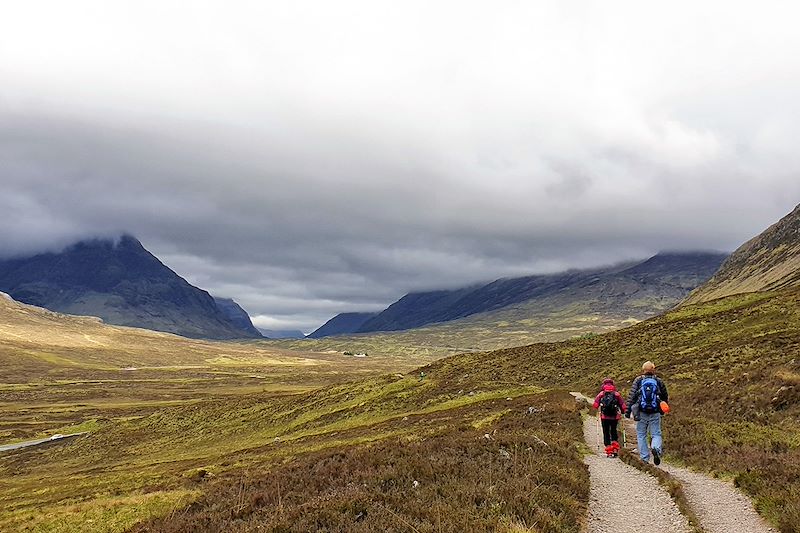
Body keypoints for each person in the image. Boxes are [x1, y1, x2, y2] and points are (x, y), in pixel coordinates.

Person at [626, 361, 669, 465]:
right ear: (653, 370)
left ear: (643, 370)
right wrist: (662, 410)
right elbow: (664, 396)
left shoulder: (638, 380)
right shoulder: (658, 381)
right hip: (655, 411)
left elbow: (632, 397)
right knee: (656, 433)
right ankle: (656, 449)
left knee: (641, 434)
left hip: (641, 411)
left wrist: (627, 411)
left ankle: (644, 458)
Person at [592, 378, 626, 457]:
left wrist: (596, 410)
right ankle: (615, 448)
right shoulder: (616, 394)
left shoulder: (601, 394)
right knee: (613, 431)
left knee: (606, 432)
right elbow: (623, 405)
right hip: (614, 417)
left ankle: (609, 450)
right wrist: (624, 412)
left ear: (603, 385)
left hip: (604, 417)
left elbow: (595, 405)